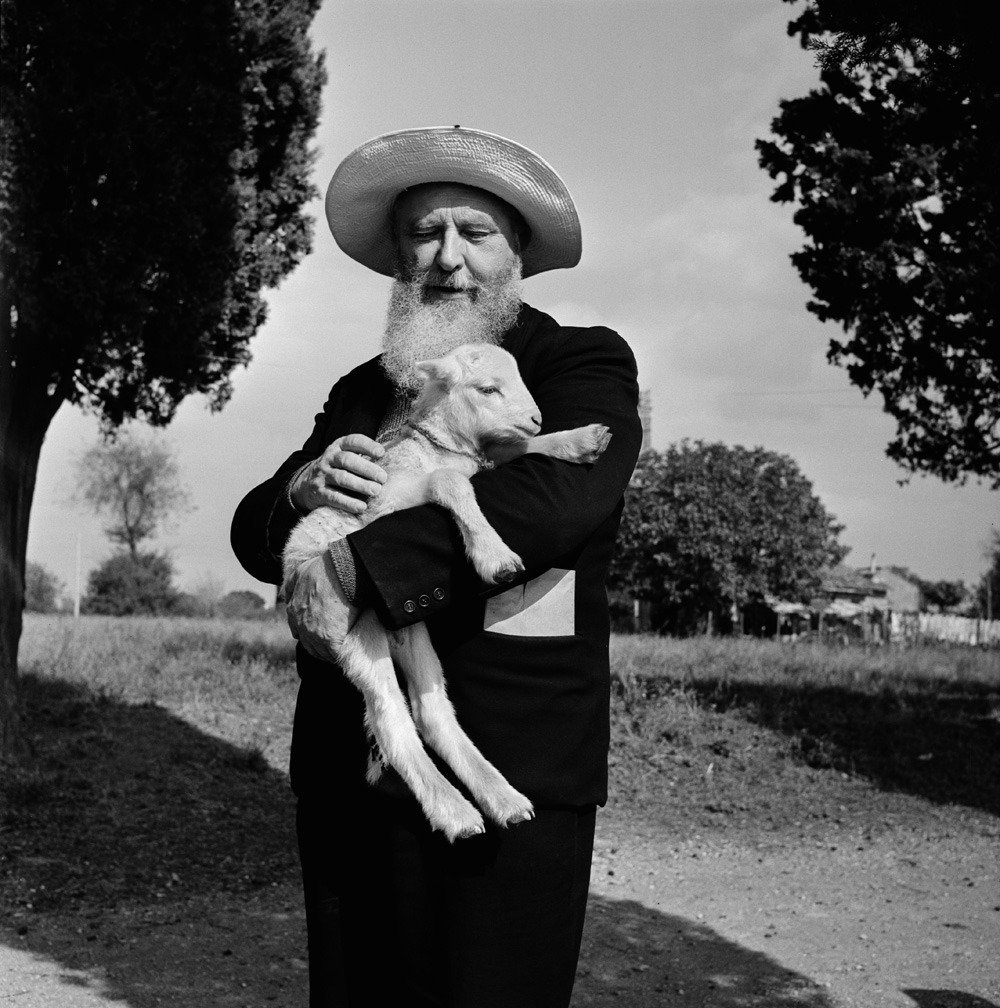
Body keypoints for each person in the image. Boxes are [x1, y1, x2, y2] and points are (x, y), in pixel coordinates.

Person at [231, 126, 642, 1008]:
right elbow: (250, 530)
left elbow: (548, 507)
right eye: (423, 233)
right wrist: (304, 487)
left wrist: (348, 573)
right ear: (396, 257)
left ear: (518, 251)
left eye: (476, 232)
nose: (447, 257)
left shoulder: (582, 363)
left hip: (516, 766)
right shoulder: (364, 390)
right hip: (356, 768)